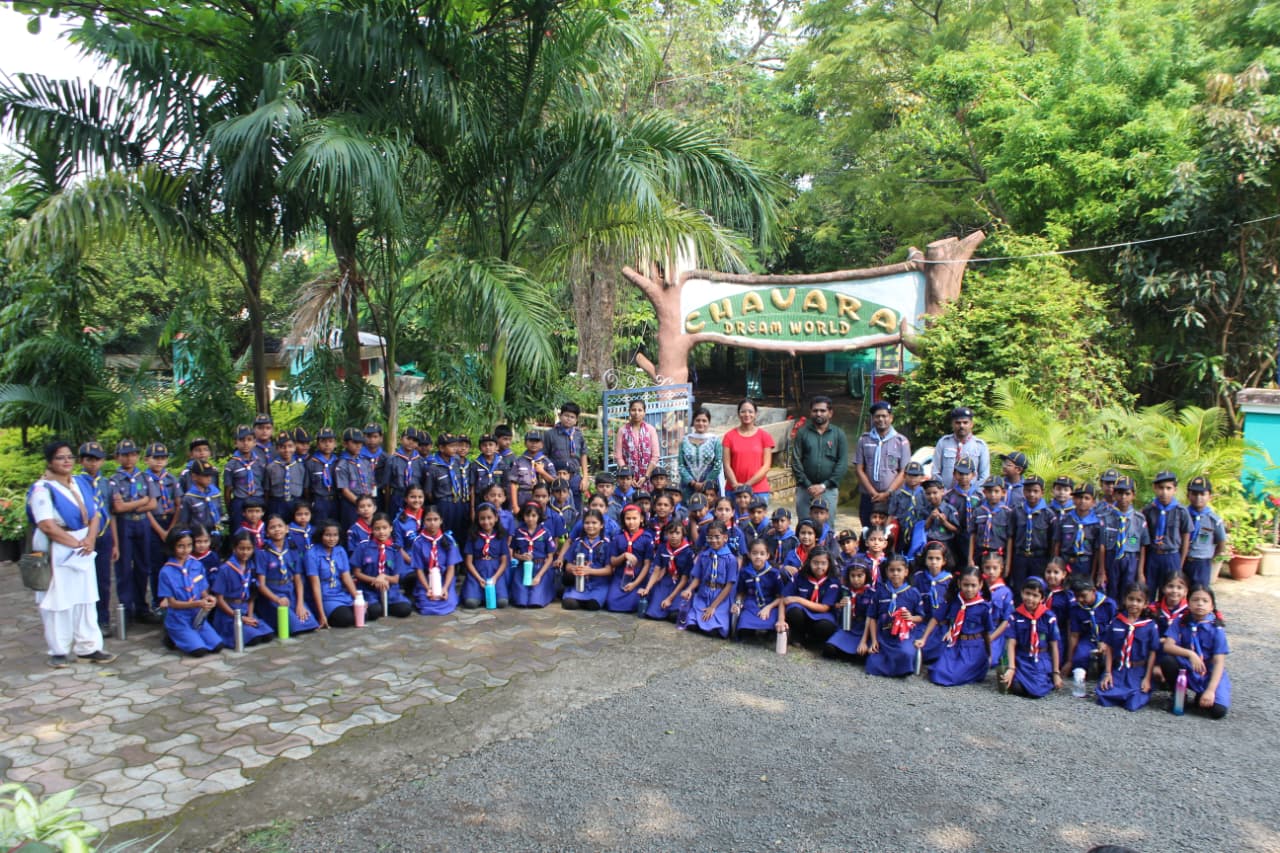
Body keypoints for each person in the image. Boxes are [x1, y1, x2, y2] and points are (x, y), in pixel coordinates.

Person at [27, 440, 116, 667]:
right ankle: (59, 650)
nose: (66, 461)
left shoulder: (79, 483)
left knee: (86, 597)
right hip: (59, 547)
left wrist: (90, 539)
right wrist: (76, 543)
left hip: (83, 545)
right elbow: (47, 525)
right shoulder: (42, 488)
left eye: (69, 456)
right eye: (60, 457)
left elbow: (95, 514)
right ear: (50, 461)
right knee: (58, 599)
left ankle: (88, 646)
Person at [915, 566, 996, 687]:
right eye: (966, 585)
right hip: (955, 645)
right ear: (959, 583)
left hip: (973, 648)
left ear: (980, 585)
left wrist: (989, 654)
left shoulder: (983, 607)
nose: (969, 589)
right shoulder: (953, 600)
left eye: (973, 585)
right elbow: (936, 619)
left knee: (951, 676)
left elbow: (986, 633)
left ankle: (979, 667)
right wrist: (923, 639)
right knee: (937, 673)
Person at [1160, 584, 1230, 719]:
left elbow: (1219, 663)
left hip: (1208, 672)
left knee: (1218, 712)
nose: (1200, 604)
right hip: (1188, 666)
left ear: (1212, 606)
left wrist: (1210, 690)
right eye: (1195, 600)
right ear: (1188, 603)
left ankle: (1201, 694)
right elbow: (1168, 646)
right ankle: (1179, 695)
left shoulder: (1217, 629)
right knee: (1167, 660)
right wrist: (1190, 654)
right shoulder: (1180, 620)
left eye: (1205, 601)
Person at [109, 438, 158, 624]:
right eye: (125, 455)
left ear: (137, 456)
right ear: (117, 457)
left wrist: (132, 505)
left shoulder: (144, 477)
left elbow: (153, 503)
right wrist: (141, 502)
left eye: (132, 454)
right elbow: (118, 508)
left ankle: (141, 607)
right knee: (123, 567)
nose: (129, 458)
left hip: (142, 524)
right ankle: (126, 609)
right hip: (124, 524)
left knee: (143, 566)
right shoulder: (114, 480)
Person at [157, 528, 222, 657]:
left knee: (217, 646)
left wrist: (209, 599)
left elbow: (203, 591)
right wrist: (197, 603)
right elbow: (172, 603)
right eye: (180, 546)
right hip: (178, 617)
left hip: (197, 616)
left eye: (189, 545)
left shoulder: (197, 565)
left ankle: (189, 636)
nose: (186, 550)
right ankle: (172, 635)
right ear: (172, 546)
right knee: (199, 651)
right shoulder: (166, 572)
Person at [1096, 583, 1159, 711]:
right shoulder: (1116, 622)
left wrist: (1147, 678)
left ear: (1145, 604)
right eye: (1131, 599)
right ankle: (1121, 693)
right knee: (1103, 695)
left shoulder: (1150, 626)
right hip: (1119, 669)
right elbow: (1109, 648)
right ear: (1125, 600)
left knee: (1133, 703)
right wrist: (1108, 673)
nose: (1134, 603)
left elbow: (1153, 652)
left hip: (1137, 671)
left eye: (1139, 600)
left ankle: (1130, 694)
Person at [255, 515, 320, 635]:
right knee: (295, 627)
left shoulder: (292, 549)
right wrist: (277, 599)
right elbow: (261, 585)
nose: (277, 529)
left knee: (310, 624)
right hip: (272, 595)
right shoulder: (262, 553)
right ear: (267, 533)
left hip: (290, 593)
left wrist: (300, 603)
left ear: (286, 529)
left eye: (280, 526)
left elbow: (298, 579)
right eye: (272, 527)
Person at [75, 441, 116, 632]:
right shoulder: (75, 483)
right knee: (82, 579)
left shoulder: (106, 483)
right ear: (81, 461)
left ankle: (103, 618)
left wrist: (115, 543)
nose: (93, 463)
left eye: (97, 459)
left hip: (104, 535)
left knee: (103, 579)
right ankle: (84, 619)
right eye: (89, 459)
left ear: (103, 461)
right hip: (84, 536)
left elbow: (111, 513)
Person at [1001, 577, 1064, 698]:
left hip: (1041, 658)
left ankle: (1047, 679)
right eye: (1027, 593)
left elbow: (1054, 645)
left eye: (1035, 595)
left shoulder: (1048, 617)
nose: (1030, 598)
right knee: (1014, 685)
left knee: (1036, 691)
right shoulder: (1015, 616)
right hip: (1022, 658)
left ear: (1042, 598)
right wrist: (1011, 668)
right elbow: (1011, 643)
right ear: (1022, 593)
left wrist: (1056, 672)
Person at [853, 400, 911, 530]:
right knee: (868, 530)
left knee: (891, 532)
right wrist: (873, 493)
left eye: (884, 416)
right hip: (869, 497)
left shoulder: (901, 441)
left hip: (893, 497)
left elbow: (904, 471)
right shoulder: (864, 440)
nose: (881, 419)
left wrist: (888, 493)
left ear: (891, 418)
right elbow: (859, 469)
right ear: (873, 418)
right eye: (877, 416)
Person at [790, 395, 849, 523]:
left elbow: (842, 463)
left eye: (822, 410)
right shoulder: (802, 433)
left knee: (826, 528)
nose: (818, 413)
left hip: (828, 489)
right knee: (805, 526)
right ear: (810, 412)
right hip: (805, 489)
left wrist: (824, 485)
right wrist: (808, 485)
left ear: (830, 413)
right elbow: (796, 460)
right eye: (815, 410)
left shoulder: (838, 434)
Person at [211, 532, 274, 648]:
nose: (245, 552)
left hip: (245, 610)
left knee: (268, 635)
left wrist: (249, 616)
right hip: (229, 614)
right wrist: (240, 618)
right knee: (254, 638)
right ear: (234, 548)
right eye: (241, 548)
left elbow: (252, 596)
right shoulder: (225, 569)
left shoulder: (252, 567)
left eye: (249, 549)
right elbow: (219, 600)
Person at [864, 554, 923, 677]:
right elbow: (872, 617)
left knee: (906, 653)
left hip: (903, 636)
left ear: (906, 572)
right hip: (883, 635)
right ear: (887, 572)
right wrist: (874, 640)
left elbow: (921, 617)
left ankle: (901, 669)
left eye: (899, 570)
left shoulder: (913, 593)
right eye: (892, 570)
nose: (895, 573)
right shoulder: (880, 591)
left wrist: (911, 618)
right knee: (873, 663)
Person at [682, 522, 740, 638]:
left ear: (725, 538)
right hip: (704, 594)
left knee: (716, 627)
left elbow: (729, 586)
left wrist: (713, 606)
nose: (713, 540)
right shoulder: (704, 556)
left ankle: (714, 624)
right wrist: (689, 589)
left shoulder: (731, 559)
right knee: (691, 622)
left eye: (717, 537)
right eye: (710, 537)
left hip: (721, 598)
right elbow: (698, 577)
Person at [353, 513, 414, 618]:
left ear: (391, 528)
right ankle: (377, 606)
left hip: (391, 592)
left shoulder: (395, 549)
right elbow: (357, 573)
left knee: (405, 609)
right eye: (377, 528)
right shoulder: (363, 547)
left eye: (384, 528)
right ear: (372, 529)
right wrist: (375, 580)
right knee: (375, 611)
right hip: (369, 591)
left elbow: (395, 579)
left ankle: (385, 605)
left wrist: (384, 577)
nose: (381, 532)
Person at [1143, 470, 1191, 600]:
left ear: (1175, 490)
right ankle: (1150, 612)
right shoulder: (1148, 510)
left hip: (1172, 556)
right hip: (1153, 555)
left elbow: (1185, 538)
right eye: (1161, 488)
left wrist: (1180, 563)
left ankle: (1165, 613)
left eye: (1168, 488)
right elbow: (1143, 537)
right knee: (1149, 590)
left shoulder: (1181, 511)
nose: (1164, 492)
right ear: (1155, 488)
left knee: (1169, 593)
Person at [305, 520, 362, 628]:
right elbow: (315, 585)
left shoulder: (340, 550)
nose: (332, 539)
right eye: (328, 535)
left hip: (340, 594)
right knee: (346, 619)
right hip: (325, 597)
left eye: (335, 535)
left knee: (364, 612)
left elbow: (346, 577)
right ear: (321, 535)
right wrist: (321, 615)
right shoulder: (311, 554)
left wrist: (357, 598)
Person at [410, 506, 462, 616]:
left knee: (447, 602)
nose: (432, 523)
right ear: (423, 521)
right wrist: (428, 588)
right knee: (426, 605)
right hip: (426, 580)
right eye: (428, 520)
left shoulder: (449, 540)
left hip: (445, 579)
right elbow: (419, 570)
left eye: (435, 519)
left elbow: (451, 568)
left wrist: (445, 588)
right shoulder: (418, 542)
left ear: (441, 520)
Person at [722, 398, 775, 504]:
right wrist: (735, 484)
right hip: (734, 489)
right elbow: (726, 464)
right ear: (738, 414)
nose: (747, 414)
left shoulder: (764, 436)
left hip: (758, 490)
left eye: (750, 411)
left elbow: (766, 466)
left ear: (755, 414)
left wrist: (747, 485)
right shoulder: (729, 436)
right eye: (743, 411)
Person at [732, 538, 786, 639]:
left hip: (770, 605)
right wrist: (737, 603)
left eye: (762, 554)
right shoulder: (744, 572)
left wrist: (768, 608)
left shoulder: (774, 573)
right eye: (754, 553)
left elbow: (781, 597)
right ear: (749, 555)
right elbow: (741, 592)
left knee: (772, 630)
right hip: (751, 604)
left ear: (767, 556)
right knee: (744, 629)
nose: (758, 556)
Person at [1103, 477, 1148, 599]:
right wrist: (1101, 570)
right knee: (1111, 588)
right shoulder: (1106, 517)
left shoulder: (1139, 519)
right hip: (1112, 557)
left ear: (1133, 495)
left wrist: (1140, 572)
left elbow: (1143, 546)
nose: (1123, 497)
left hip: (1131, 558)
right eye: (1120, 493)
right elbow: (1102, 545)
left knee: (1128, 589)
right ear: (1114, 494)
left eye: (1127, 494)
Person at [822, 558, 874, 662]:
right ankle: (846, 653)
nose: (856, 579)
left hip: (863, 629)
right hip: (846, 627)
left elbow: (872, 617)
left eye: (859, 576)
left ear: (866, 576)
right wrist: (839, 605)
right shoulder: (844, 590)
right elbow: (833, 605)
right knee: (829, 649)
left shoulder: (871, 593)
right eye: (852, 576)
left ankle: (850, 655)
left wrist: (865, 640)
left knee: (862, 654)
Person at [1064, 577, 1117, 676]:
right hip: (1088, 640)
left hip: (1108, 639)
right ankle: (1079, 679)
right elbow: (1074, 635)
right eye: (1076, 596)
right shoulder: (1075, 608)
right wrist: (1070, 661)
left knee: (1110, 659)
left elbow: (1115, 629)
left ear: (1093, 591)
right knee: (1079, 658)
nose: (1080, 599)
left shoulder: (1109, 605)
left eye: (1083, 596)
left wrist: (1106, 642)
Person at [461, 503, 510, 609]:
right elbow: (468, 562)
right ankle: (478, 596)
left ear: (496, 518)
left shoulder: (501, 536)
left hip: (495, 572)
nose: (486, 522)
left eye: (489, 518)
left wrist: (495, 578)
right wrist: (479, 579)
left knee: (502, 603)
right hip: (477, 572)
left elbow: (504, 561)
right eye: (482, 518)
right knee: (471, 603)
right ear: (477, 520)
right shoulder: (473, 536)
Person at [606, 505, 654, 613]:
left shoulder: (647, 538)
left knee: (634, 602)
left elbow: (647, 564)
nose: (631, 522)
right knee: (611, 603)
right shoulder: (618, 537)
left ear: (641, 519)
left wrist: (635, 584)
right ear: (623, 519)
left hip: (638, 577)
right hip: (620, 576)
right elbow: (613, 561)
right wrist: (624, 556)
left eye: (634, 518)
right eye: (628, 518)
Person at [644, 521, 695, 620]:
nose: (674, 536)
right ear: (666, 533)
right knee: (653, 613)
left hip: (680, 584)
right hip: (666, 581)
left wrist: (670, 598)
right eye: (671, 533)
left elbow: (684, 579)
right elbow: (656, 570)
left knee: (675, 615)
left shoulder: (688, 552)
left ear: (683, 534)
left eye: (677, 533)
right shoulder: (662, 548)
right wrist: (647, 588)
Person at [562, 510, 612, 611]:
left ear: (601, 525)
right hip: (579, 584)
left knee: (593, 605)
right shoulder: (577, 543)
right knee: (569, 604)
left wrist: (590, 571)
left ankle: (589, 600)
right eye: (587, 523)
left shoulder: (607, 544)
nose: (590, 526)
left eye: (594, 523)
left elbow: (609, 570)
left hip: (598, 584)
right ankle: (577, 598)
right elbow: (567, 565)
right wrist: (573, 569)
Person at [510, 502, 557, 608]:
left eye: (534, 515)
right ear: (523, 516)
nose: (530, 519)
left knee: (535, 601)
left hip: (540, 568)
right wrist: (521, 557)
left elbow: (550, 557)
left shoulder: (545, 533)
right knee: (520, 600)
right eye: (527, 515)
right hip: (522, 568)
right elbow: (513, 553)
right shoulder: (518, 532)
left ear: (539, 516)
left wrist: (539, 576)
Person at [1184, 476, 1227, 589]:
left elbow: (1221, 543)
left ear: (1210, 496)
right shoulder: (1182, 515)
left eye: (1202, 494)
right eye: (1194, 494)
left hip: (1202, 563)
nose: (1198, 497)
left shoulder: (1214, 520)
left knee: (1199, 591)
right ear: (1188, 495)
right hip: (1183, 560)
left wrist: (1209, 557)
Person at [544, 402, 591, 506]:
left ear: (576, 420)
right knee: (555, 505)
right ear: (560, 416)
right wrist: (548, 476)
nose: (568, 419)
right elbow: (544, 456)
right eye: (566, 415)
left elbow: (583, 455)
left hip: (574, 476)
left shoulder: (578, 435)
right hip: (556, 476)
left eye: (572, 417)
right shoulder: (550, 434)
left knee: (575, 505)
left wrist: (585, 477)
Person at [933, 406, 990, 488]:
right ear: (952, 424)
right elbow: (935, 472)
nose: (961, 426)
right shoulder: (943, 443)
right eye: (958, 423)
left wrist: (974, 492)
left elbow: (984, 475)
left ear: (971, 424)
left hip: (972, 493)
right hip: (946, 492)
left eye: (965, 422)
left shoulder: (980, 445)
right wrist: (943, 491)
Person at [614, 398, 662, 488]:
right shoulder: (622, 431)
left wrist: (646, 476)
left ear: (644, 412)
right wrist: (628, 476)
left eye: (640, 410)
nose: (636, 413)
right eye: (633, 410)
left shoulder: (650, 430)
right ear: (629, 411)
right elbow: (618, 456)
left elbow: (655, 456)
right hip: (627, 480)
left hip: (648, 478)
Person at [336, 428, 377, 534]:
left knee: (369, 531)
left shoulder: (365, 461)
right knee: (353, 531)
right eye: (354, 442)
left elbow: (372, 482)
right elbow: (345, 490)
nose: (358, 445)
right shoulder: (342, 464)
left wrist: (371, 501)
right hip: (352, 504)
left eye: (360, 443)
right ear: (345, 444)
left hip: (368, 504)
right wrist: (361, 504)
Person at [678, 407, 722, 501]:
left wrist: (706, 483)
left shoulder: (715, 441)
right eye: (698, 420)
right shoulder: (684, 441)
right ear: (693, 422)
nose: (701, 423)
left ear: (709, 422)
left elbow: (718, 465)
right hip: (688, 486)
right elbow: (681, 466)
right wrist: (693, 483)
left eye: (704, 421)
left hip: (710, 486)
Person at [305, 428, 340, 526]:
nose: (327, 444)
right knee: (319, 527)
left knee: (335, 527)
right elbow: (306, 488)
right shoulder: (311, 462)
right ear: (317, 444)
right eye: (323, 441)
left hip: (335, 500)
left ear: (335, 444)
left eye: (330, 441)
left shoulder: (338, 462)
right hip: (319, 500)